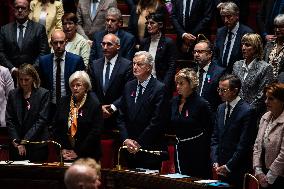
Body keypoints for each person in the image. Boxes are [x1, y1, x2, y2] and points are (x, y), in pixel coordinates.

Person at [117, 51, 168, 170]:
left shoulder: (159, 88)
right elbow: (121, 116)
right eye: (134, 64)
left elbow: (157, 121)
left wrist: (138, 143)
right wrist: (126, 139)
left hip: (149, 149)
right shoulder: (128, 86)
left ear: (149, 67)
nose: (135, 67)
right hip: (129, 149)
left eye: (139, 64)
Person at [211, 74, 257, 186]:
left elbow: (244, 144)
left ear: (235, 90)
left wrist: (229, 166)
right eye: (219, 89)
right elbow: (215, 137)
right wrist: (215, 160)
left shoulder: (247, 111)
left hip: (237, 169)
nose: (220, 93)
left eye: (224, 90)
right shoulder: (220, 108)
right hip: (220, 167)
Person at [171, 68, 212, 178]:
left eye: (181, 83)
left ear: (191, 84)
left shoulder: (202, 104)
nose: (178, 87)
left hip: (197, 150)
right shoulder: (174, 101)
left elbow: (209, 130)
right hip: (179, 147)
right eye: (177, 83)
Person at [53, 71, 103, 161]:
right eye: (72, 85)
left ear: (86, 86)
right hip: (66, 154)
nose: (75, 88)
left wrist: (78, 152)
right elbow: (56, 128)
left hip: (88, 155)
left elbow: (95, 132)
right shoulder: (63, 102)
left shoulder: (94, 104)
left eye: (78, 85)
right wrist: (62, 149)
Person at [88, 33, 133, 132]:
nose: (105, 47)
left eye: (109, 44)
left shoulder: (127, 65)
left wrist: (113, 107)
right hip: (97, 115)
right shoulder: (95, 65)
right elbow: (91, 89)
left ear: (118, 46)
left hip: (118, 115)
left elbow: (127, 92)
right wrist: (99, 107)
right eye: (103, 44)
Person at [6, 64, 50, 162]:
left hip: (37, 144)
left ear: (33, 78)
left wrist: (24, 141)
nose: (23, 83)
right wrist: (16, 140)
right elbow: (9, 119)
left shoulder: (43, 94)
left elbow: (41, 120)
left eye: (27, 79)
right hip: (17, 146)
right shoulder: (13, 94)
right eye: (21, 79)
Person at [0, 0, 49, 78]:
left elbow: (44, 52)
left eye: (23, 8)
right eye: (17, 8)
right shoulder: (4, 29)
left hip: (33, 76)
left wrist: (30, 70)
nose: (20, 10)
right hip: (10, 75)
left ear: (29, 10)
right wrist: (12, 68)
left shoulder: (39, 29)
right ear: (13, 9)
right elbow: (1, 52)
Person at [38, 30, 85, 108]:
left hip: (70, 104)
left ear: (66, 42)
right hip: (49, 105)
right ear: (51, 44)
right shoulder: (44, 61)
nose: (59, 46)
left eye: (61, 42)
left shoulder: (76, 61)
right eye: (56, 43)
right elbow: (42, 85)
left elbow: (82, 85)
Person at [233, 33, 274, 118]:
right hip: (235, 111)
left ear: (256, 48)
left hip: (254, 115)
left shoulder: (265, 67)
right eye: (242, 44)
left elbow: (262, 95)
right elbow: (233, 88)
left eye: (247, 45)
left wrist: (246, 112)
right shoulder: (237, 65)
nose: (243, 48)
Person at [253, 83, 284, 189]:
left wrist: (270, 177)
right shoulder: (265, 117)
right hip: (263, 172)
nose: (266, 102)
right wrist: (258, 169)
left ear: (282, 101)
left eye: (271, 99)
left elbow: (283, 154)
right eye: (266, 98)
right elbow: (257, 145)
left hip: (279, 175)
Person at [139, 13, 176, 97]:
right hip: (145, 83)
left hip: (162, 83)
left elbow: (172, 67)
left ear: (160, 25)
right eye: (147, 23)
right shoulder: (144, 42)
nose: (148, 26)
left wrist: (163, 86)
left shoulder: (168, 43)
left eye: (152, 23)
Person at [213, 2, 253, 73]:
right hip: (220, 74)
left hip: (237, 75)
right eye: (223, 17)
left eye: (228, 16)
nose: (225, 20)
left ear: (237, 15)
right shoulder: (220, 31)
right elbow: (215, 55)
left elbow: (249, 59)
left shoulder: (247, 33)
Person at [193, 40, 225, 112]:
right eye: (195, 52)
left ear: (210, 54)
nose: (196, 54)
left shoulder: (220, 73)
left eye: (200, 52)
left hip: (211, 114)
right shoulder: (191, 72)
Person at [264, 14, 284, 78]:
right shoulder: (269, 44)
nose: (277, 30)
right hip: (266, 83)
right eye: (276, 27)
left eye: (281, 27)